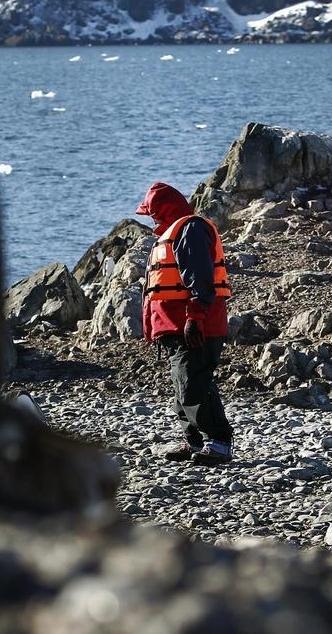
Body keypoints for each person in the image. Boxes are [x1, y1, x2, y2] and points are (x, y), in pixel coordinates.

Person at [136, 182, 234, 465]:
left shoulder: (190, 229)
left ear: (164, 209)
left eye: (153, 212)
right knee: (183, 386)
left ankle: (219, 443)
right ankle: (195, 442)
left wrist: (195, 317)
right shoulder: (174, 232)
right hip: (176, 327)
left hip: (196, 326)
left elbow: (200, 278)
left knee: (194, 384)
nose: (152, 218)